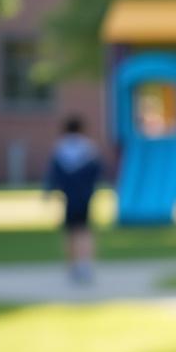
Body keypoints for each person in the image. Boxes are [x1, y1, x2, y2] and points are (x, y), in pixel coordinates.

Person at [43, 115, 104, 284]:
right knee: (84, 230)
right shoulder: (89, 148)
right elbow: (97, 171)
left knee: (70, 232)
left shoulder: (61, 148)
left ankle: (72, 266)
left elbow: (53, 174)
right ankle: (85, 264)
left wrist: (48, 192)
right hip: (85, 196)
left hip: (69, 197)